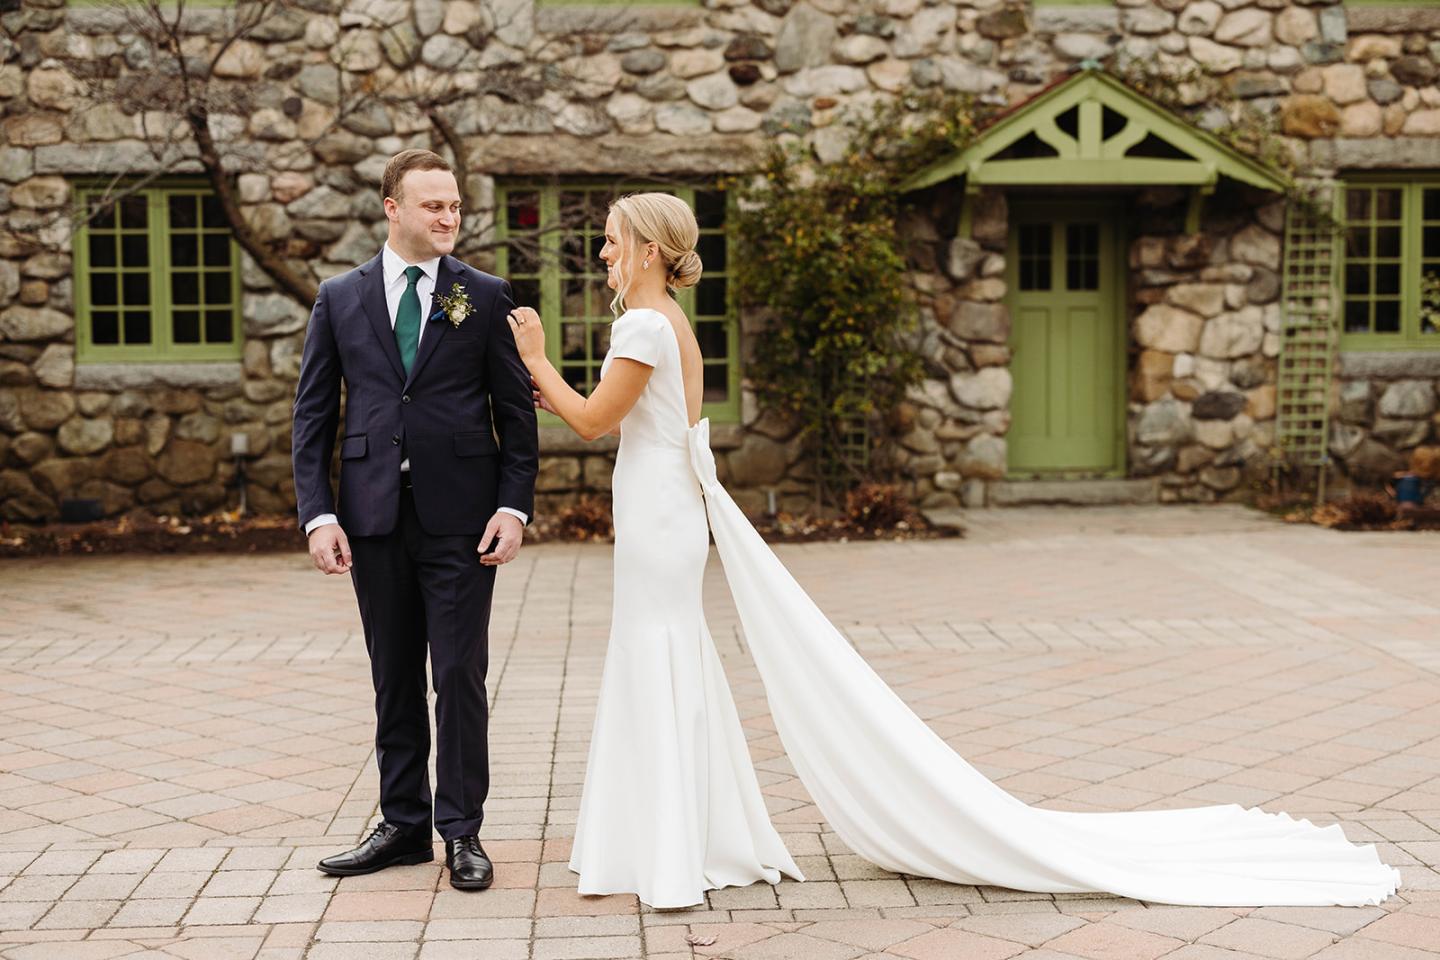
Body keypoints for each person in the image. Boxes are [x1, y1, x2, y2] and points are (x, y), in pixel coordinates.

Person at [507, 192, 1400, 910]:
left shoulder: (644, 324)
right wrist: (569, 393)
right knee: (670, 654)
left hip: (659, 513)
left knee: (656, 652)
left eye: (616, 239)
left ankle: (669, 848)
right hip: (665, 504)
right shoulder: (670, 325)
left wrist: (538, 359)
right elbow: (638, 420)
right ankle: (680, 838)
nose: (604, 254)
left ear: (655, 252)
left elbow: (594, 420)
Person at [292, 149, 538, 891]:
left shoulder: (483, 295)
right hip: (370, 517)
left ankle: (462, 831)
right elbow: (312, 417)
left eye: (455, 205)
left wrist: (513, 505)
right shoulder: (339, 298)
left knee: (458, 673)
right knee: (392, 675)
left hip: (463, 519)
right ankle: (402, 825)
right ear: (392, 209)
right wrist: (318, 515)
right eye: (432, 205)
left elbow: (516, 415)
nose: (448, 217)